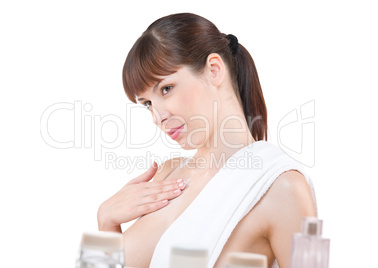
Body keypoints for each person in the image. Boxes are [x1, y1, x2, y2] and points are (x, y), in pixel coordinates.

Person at [97, 13, 316, 268]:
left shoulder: (286, 187)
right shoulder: (167, 176)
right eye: (147, 104)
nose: (157, 117)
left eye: (166, 88)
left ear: (214, 70)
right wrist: (106, 222)